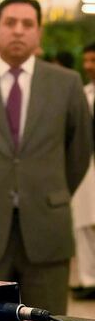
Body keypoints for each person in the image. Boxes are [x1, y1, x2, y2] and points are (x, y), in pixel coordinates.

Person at [0, 0, 92, 314]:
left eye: (28, 24)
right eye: (10, 23)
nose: (18, 31)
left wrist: (51, 189)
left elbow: (80, 150)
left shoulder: (67, 84)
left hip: (47, 225)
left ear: (39, 33)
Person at [71, 42, 95, 299]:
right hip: (85, 166)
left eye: (93, 60)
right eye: (86, 60)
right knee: (84, 224)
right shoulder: (84, 92)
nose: (88, 66)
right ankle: (88, 278)